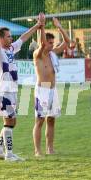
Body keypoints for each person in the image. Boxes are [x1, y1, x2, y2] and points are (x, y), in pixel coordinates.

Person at [0, 12, 42, 162]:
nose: (11, 38)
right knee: (10, 121)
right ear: (1, 38)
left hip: (11, 91)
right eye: (8, 36)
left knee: (10, 121)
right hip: (4, 91)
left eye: (11, 36)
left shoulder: (11, 49)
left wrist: (37, 25)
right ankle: (9, 154)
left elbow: (23, 38)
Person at [32, 15, 69, 156]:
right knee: (40, 121)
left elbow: (68, 42)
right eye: (49, 43)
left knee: (51, 120)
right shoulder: (38, 54)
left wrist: (59, 26)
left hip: (53, 90)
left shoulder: (53, 53)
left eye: (53, 43)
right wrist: (41, 26)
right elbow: (41, 45)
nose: (52, 45)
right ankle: (37, 150)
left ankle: (50, 148)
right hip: (42, 91)